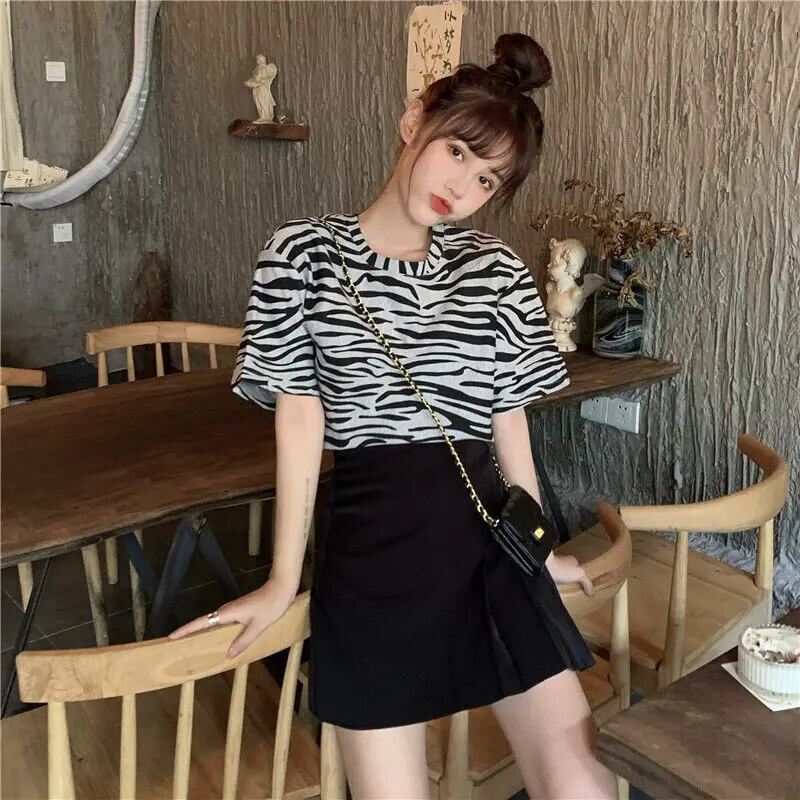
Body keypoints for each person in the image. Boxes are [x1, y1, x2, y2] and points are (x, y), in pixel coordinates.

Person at [170, 32, 617, 800]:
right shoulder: (301, 255)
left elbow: (509, 425)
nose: (461, 186)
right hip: (375, 561)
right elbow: (299, 422)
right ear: (416, 119)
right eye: (456, 152)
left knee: (584, 787)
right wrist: (282, 580)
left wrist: (540, 550)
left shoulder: (495, 271)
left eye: (486, 179)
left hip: (491, 551)